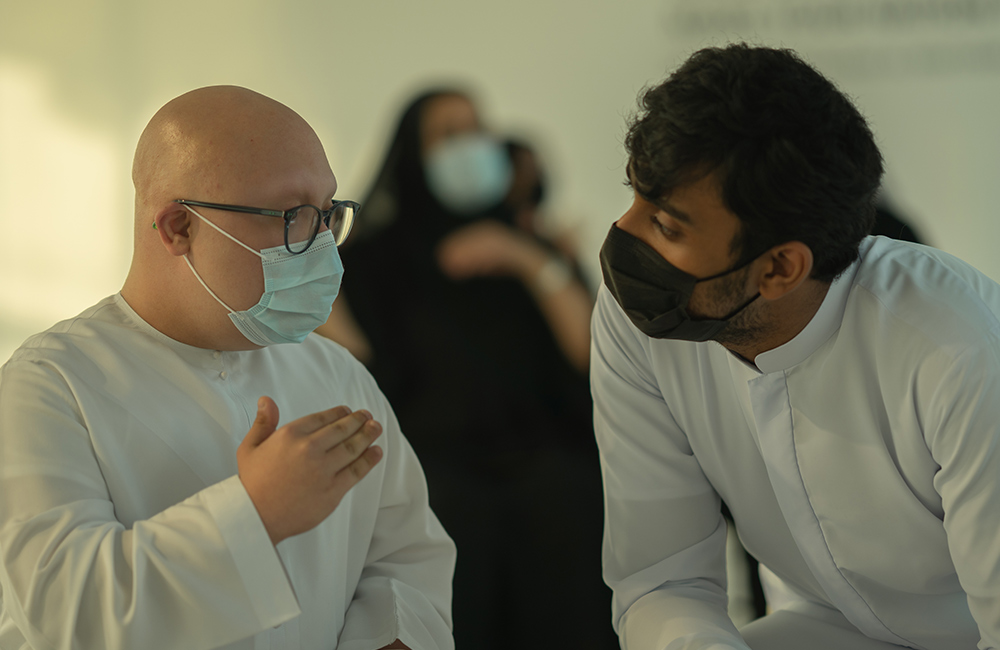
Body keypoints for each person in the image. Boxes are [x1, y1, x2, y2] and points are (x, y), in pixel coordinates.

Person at [0, 86, 455, 650]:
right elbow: (67, 614)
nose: (322, 246)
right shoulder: (50, 385)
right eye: (291, 216)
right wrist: (256, 515)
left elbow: (405, 559)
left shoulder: (335, 373)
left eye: (327, 213)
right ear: (179, 228)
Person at [593, 43, 1000, 650]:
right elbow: (662, 580)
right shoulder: (641, 320)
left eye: (667, 225)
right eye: (634, 195)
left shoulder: (960, 351)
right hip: (820, 626)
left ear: (781, 268)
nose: (623, 233)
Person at [316, 89, 615, 650]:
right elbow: (364, 370)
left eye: (476, 129)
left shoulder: (533, 240)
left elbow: (593, 356)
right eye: (448, 134)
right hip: (437, 476)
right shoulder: (372, 258)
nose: (470, 145)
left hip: (549, 474)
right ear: (413, 154)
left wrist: (526, 259)